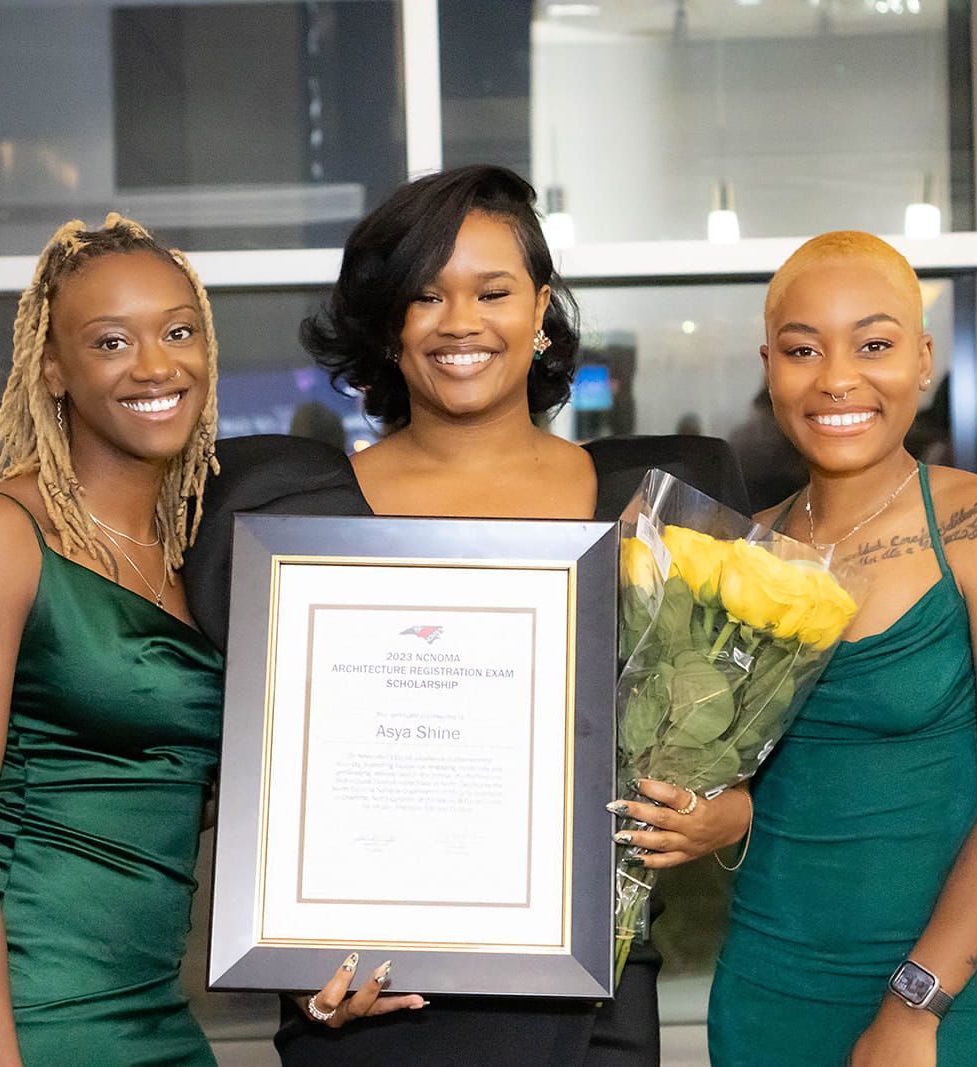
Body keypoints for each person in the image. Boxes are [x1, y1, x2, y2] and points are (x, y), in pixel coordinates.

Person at [182, 164, 751, 1066]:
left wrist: (723, 814)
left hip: (590, 996)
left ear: (540, 310)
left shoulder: (647, 509)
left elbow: (734, 751)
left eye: (494, 291)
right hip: (364, 996)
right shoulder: (295, 515)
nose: (461, 323)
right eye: (424, 296)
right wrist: (285, 946)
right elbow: (237, 766)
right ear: (387, 325)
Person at [706, 231, 977, 1066]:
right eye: (803, 350)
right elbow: (730, 790)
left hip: (941, 1011)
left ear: (923, 361)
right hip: (765, 996)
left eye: (874, 344)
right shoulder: (744, 553)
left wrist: (916, 1006)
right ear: (770, 366)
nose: (837, 377)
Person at [0, 215, 224, 1065]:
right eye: (112, 340)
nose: (157, 365)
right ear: (54, 367)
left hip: (157, 1016)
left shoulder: (197, 551)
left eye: (178, 330)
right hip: (22, 1022)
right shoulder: (0, 535)